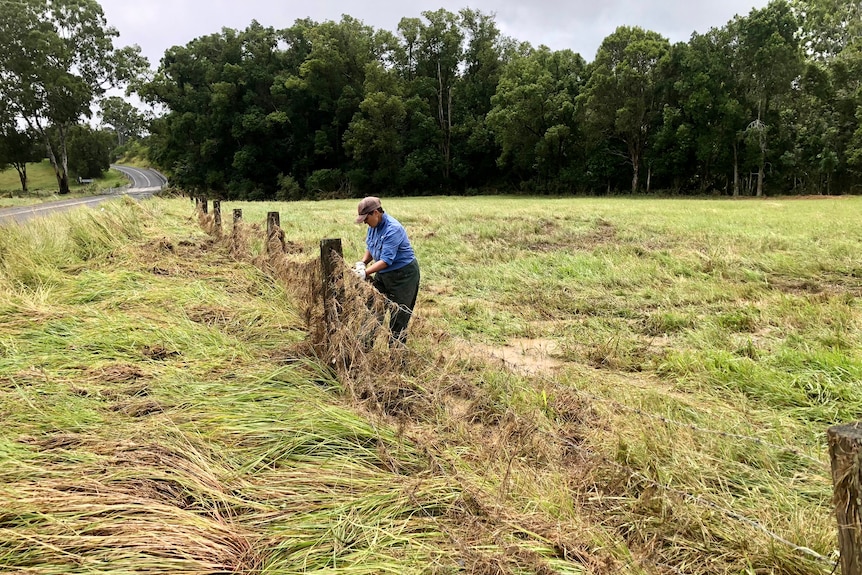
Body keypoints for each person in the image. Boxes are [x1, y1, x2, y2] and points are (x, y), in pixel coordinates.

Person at [353, 196, 420, 346]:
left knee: (399, 317)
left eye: (366, 218)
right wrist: (362, 263)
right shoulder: (373, 227)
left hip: (403, 276)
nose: (364, 222)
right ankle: (362, 350)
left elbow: (386, 261)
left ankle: (396, 360)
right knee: (373, 309)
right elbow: (370, 248)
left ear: (375, 212)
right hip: (383, 274)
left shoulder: (393, 229)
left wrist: (366, 273)